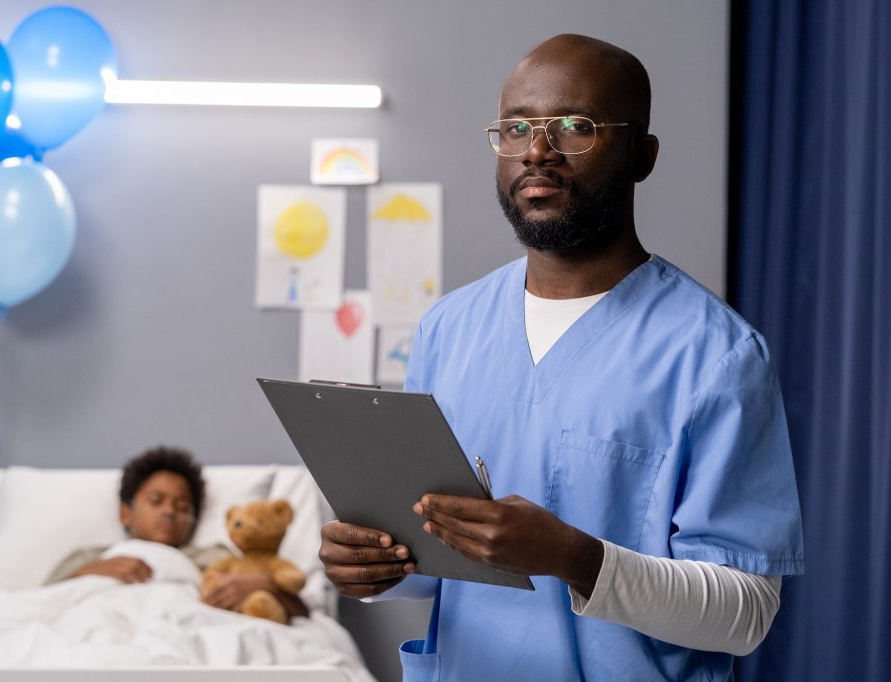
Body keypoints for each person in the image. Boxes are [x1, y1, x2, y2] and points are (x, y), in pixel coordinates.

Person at [318, 34, 804, 681]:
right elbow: (441, 571)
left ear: (642, 154)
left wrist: (575, 557)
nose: (537, 151)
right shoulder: (449, 329)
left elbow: (745, 615)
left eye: (575, 127)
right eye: (515, 128)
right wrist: (375, 570)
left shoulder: (714, 355)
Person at [46, 446, 307, 618]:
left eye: (182, 506)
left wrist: (257, 584)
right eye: (156, 500)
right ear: (125, 513)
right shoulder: (90, 557)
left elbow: (302, 611)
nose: (169, 511)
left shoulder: (213, 557)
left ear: (192, 521)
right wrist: (90, 572)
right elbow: (41, 604)